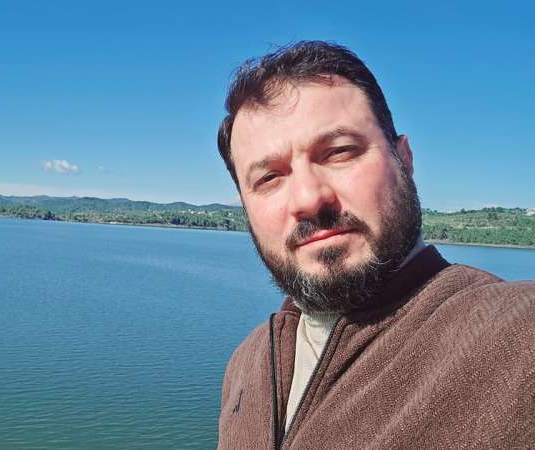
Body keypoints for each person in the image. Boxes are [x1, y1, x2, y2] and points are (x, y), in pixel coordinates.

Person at [215, 41, 535, 449]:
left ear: (404, 158)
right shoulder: (248, 363)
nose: (308, 198)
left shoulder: (517, 338)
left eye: (339, 152)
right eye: (269, 178)